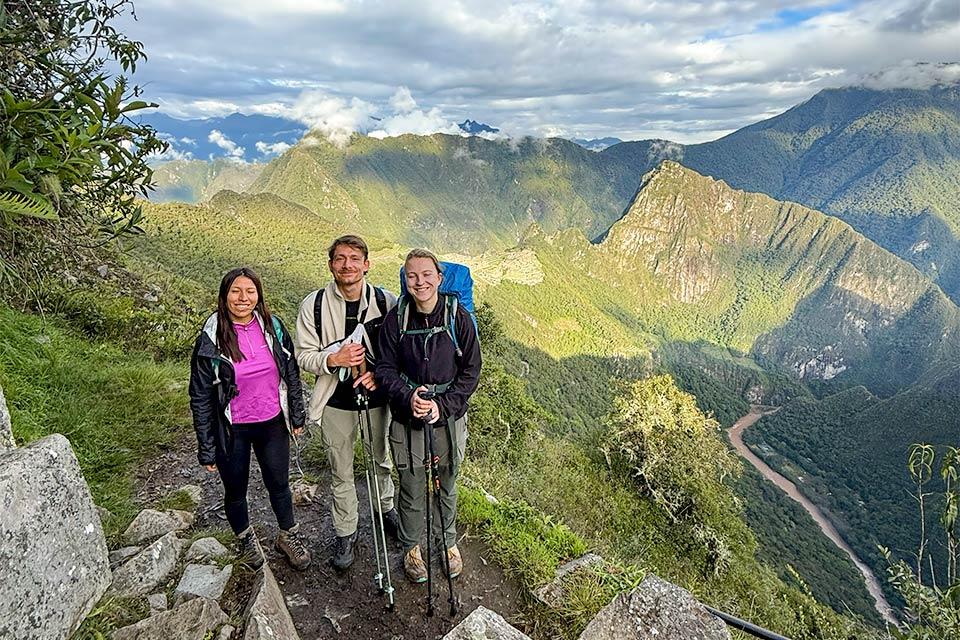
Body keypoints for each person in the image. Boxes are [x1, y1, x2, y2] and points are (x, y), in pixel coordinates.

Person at [188, 267, 311, 570]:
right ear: (224, 295)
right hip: (231, 428)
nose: (243, 298)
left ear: (259, 295)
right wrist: (206, 445)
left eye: (250, 291)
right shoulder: (210, 338)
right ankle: (245, 539)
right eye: (236, 291)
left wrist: (297, 414)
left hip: (271, 421)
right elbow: (200, 395)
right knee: (235, 489)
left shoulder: (273, 328)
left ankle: (287, 535)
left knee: (279, 483)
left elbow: (291, 373)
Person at [376, 248, 481, 583]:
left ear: (439, 277)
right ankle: (411, 547)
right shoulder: (397, 319)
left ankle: (448, 543)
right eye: (412, 276)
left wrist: (443, 405)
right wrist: (410, 397)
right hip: (408, 418)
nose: (419, 282)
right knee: (410, 482)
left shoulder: (457, 317)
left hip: (449, 417)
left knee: (447, 479)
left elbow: (471, 370)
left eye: (425, 275)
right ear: (405, 281)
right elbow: (385, 368)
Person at [296, 235, 399, 570]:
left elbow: (400, 351)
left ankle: (385, 510)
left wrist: (381, 375)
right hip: (335, 403)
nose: (347, 265)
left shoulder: (387, 302)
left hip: (377, 401)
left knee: (381, 460)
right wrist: (334, 358)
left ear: (367, 265)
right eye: (340, 259)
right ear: (330, 265)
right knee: (340, 468)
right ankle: (346, 531)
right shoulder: (314, 305)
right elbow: (303, 356)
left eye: (355, 258)